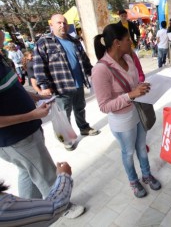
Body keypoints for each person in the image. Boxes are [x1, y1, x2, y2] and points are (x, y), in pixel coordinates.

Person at [0, 29, 85, 220]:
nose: (2, 32)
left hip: (26, 132)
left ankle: (28, 212)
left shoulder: (1, 60)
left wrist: (37, 97)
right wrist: (31, 115)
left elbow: (14, 89)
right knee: (45, 171)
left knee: (27, 171)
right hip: (16, 138)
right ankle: (62, 207)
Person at [91, 24, 161, 198]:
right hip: (122, 121)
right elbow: (104, 106)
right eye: (128, 39)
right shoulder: (100, 69)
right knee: (128, 152)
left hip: (138, 112)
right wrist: (130, 95)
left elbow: (133, 85)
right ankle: (133, 180)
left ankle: (146, 174)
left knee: (142, 148)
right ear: (117, 43)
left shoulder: (129, 58)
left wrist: (141, 88)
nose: (132, 42)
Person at [34, 14, 100, 143]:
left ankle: (84, 128)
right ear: (51, 25)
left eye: (64, 23)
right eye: (58, 23)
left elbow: (84, 60)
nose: (62, 25)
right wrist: (44, 86)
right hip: (61, 87)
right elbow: (39, 66)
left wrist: (93, 73)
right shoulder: (44, 42)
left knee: (80, 108)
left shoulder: (74, 41)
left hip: (78, 84)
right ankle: (66, 138)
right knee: (64, 114)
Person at [0, 162, 74, 226]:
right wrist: (64, 176)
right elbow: (55, 207)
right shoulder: (3, 208)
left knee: (25, 168)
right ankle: (68, 209)